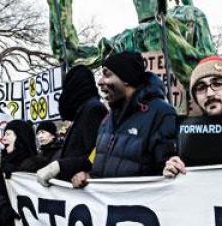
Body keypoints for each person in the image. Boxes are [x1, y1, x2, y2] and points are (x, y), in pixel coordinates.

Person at [71, 51, 177, 187]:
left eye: (107, 74)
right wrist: (88, 176)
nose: (100, 81)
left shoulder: (161, 113)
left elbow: (169, 177)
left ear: (126, 78)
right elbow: (100, 167)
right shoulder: (107, 120)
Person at [35, 65, 108, 185]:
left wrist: (60, 166)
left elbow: (96, 155)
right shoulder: (83, 112)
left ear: (75, 85)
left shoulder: (93, 110)